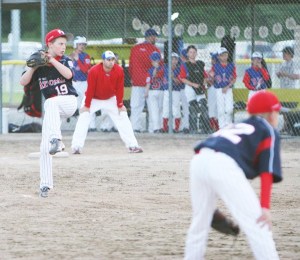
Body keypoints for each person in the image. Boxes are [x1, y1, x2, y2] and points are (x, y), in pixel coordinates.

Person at [185, 90, 282, 260]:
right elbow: (267, 172)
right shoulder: (268, 130)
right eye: (277, 112)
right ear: (271, 114)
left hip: (199, 160)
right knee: (258, 223)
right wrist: (265, 207)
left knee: (199, 224)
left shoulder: (237, 125)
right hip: (223, 164)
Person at [20, 28, 78, 198]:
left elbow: (68, 74)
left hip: (68, 102)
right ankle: (45, 185)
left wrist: (52, 60)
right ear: (49, 44)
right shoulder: (40, 64)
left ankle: (57, 141)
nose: (63, 47)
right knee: (44, 147)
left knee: (51, 102)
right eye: (60, 43)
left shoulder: (65, 60)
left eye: (65, 44)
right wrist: (33, 68)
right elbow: (23, 81)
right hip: (54, 110)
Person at [71, 51, 143, 154]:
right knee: (83, 117)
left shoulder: (119, 70)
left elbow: (119, 89)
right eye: (108, 60)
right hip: (93, 98)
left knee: (123, 116)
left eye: (112, 59)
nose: (111, 62)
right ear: (103, 60)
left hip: (110, 98)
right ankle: (76, 146)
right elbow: (90, 89)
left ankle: (132, 145)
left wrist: (120, 104)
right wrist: (87, 105)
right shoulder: (94, 70)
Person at [129, 28, 161, 133]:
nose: (155, 38)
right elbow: (158, 66)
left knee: (136, 106)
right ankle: (153, 128)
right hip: (150, 82)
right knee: (153, 107)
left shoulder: (135, 48)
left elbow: (131, 66)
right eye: (154, 36)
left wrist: (132, 77)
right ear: (150, 37)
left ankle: (135, 127)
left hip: (137, 81)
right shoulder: (155, 49)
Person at [179, 45, 211, 134]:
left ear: (196, 53)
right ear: (187, 54)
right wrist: (193, 84)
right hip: (190, 88)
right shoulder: (185, 65)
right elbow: (182, 78)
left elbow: (205, 76)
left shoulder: (200, 64)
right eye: (190, 52)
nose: (192, 54)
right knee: (193, 108)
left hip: (199, 88)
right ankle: (193, 129)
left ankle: (205, 128)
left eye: (194, 52)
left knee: (204, 106)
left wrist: (204, 83)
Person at [69, 36, 97, 131]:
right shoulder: (71, 55)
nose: (82, 46)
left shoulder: (86, 56)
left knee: (87, 103)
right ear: (75, 45)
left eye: (83, 44)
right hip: (74, 83)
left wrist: (77, 60)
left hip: (84, 83)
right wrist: (72, 59)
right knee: (77, 105)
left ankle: (92, 125)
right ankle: (83, 125)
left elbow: (85, 69)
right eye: (80, 44)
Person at [209, 47, 237, 129]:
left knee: (229, 109)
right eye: (221, 55)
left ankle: (228, 125)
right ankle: (222, 127)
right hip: (218, 90)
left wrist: (227, 86)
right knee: (220, 110)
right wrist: (211, 78)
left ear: (228, 55)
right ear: (218, 57)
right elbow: (211, 78)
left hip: (228, 89)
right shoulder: (215, 66)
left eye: (225, 54)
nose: (224, 57)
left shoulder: (231, 65)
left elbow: (234, 79)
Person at [162, 52, 182, 133]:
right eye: (172, 59)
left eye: (175, 59)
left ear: (177, 60)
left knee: (176, 109)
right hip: (167, 90)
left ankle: (176, 128)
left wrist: (173, 77)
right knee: (165, 109)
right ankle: (165, 128)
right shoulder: (165, 68)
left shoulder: (179, 69)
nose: (173, 61)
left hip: (175, 91)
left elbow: (179, 82)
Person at [144, 51, 164, 133]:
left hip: (154, 92)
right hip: (160, 91)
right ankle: (157, 127)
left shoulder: (151, 70)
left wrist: (146, 92)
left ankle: (157, 128)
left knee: (155, 110)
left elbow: (148, 82)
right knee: (159, 110)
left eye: (154, 60)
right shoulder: (163, 69)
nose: (153, 62)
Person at [206, 52, 219, 132]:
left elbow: (211, 81)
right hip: (216, 89)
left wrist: (207, 79)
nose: (211, 60)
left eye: (212, 59)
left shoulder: (215, 68)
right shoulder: (218, 67)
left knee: (212, 108)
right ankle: (216, 127)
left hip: (213, 89)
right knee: (216, 108)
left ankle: (214, 127)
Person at [179, 49, 190, 133]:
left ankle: (186, 126)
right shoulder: (183, 65)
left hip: (185, 89)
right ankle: (185, 126)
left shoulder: (184, 65)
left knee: (185, 108)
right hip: (183, 88)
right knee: (185, 108)